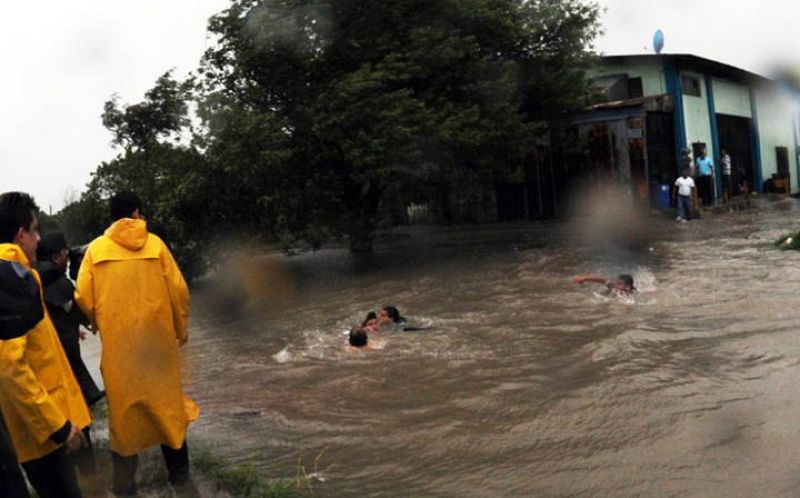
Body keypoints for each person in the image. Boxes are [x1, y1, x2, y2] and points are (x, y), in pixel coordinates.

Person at [74, 191, 199, 496]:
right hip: (159, 350)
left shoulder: (95, 251)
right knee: (168, 411)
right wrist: (179, 331)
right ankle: (180, 480)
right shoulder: (155, 245)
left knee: (125, 417)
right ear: (137, 213)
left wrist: (100, 323)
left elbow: (82, 297)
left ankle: (125, 488)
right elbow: (180, 292)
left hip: (120, 353)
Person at [0, 192, 92, 498]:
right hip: (41, 433)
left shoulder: (18, 276)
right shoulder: (12, 280)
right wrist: (59, 426)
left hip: (27, 427)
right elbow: (11, 368)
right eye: (35, 230)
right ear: (20, 234)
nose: (39, 240)